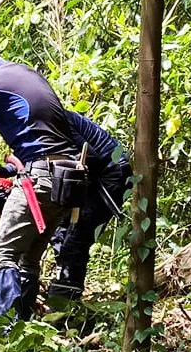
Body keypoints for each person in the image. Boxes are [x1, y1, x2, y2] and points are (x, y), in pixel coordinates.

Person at [0, 32, 78, 320]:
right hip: (71, 178)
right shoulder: (25, 72)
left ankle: (5, 335)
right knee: (26, 259)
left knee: (1, 255)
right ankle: (27, 337)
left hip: (42, 177)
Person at [46, 111, 131, 302]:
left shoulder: (54, 119)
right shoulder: (43, 121)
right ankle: (64, 291)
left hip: (109, 174)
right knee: (59, 232)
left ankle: (64, 307)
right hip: (88, 176)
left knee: (76, 239)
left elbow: (89, 157)